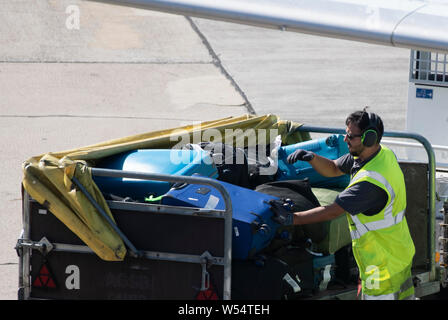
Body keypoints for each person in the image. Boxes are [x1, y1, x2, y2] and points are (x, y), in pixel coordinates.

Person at [287, 109, 416, 300]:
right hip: (397, 252)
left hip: (380, 266)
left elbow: (331, 212)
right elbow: (333, 168)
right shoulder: (380, 155)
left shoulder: (370, 182)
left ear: (369, 139)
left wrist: (290, 219)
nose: (345, 139)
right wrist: (312, 157)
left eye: (350, 136)